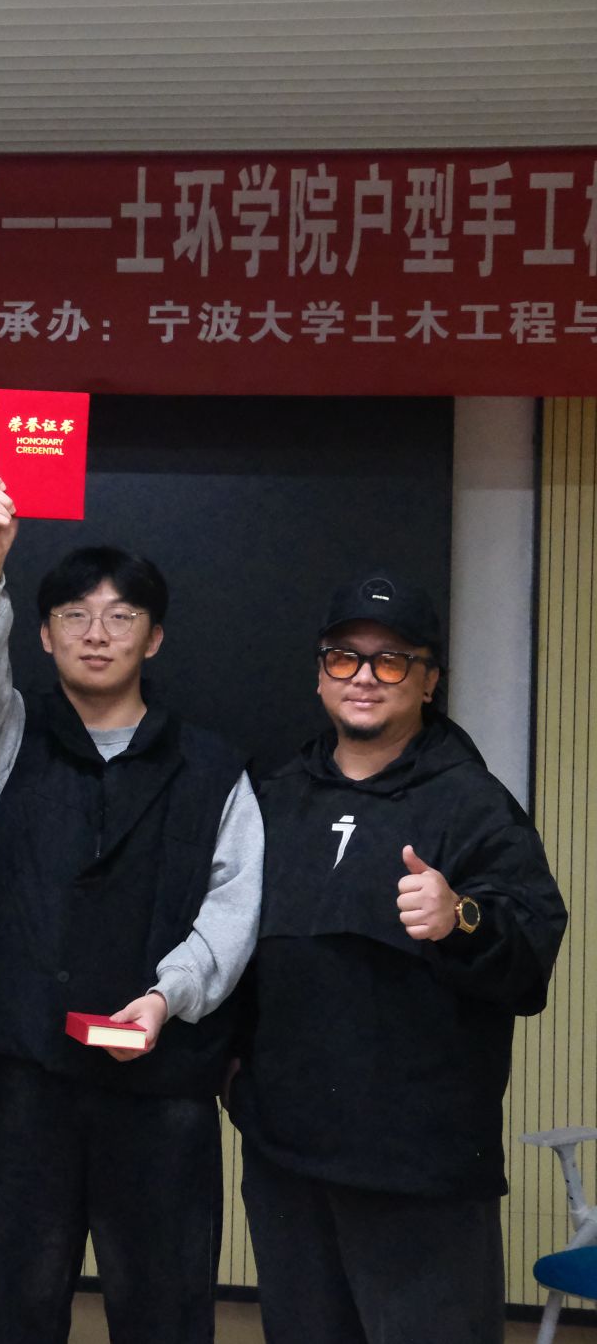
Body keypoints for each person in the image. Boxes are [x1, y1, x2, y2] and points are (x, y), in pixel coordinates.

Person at [0, 474, 263, 1344]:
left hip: (165, 1084)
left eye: (121, 616)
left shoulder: (213, 767)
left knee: (165, 1308)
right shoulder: (8, 737)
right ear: (43, 634)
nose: (96, 632)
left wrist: (169, 995)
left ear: (154, 637)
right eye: (75, 614)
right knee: (14, 1304)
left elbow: (233, 907)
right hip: (31, 1076)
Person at [228, 572, 567, 1344]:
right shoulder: (273, 797)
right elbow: (236, 945)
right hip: (287, 1158)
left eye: (391, 660)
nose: (364, 677)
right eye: (344, 657)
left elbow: (531, 949)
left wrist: (459, 917)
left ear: (429, 679)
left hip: (421, 1171)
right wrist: (231, 1065)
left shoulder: (473, 803)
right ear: (320, 673)